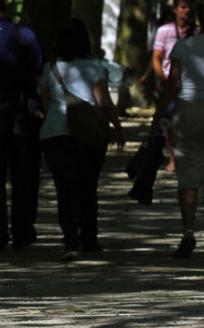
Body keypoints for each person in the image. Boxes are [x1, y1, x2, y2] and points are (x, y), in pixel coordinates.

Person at [39, 18, 124, 262]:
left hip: (55, 133)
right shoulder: (95, 67)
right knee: (88, 187)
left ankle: (70, 242)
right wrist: (117, 127)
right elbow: (104, 102)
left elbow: (46, 105)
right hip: (90, 135)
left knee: (65, 189)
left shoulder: (50, 68)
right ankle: (89, 239)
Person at [155, 6, 204, 259]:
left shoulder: (183, 47)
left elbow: (172, 83)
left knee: (187, 176)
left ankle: (188, 231)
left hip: (187, 110)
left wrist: (158, 115)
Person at [0, 0, 43, 251]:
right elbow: (37, 73)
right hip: (19, 112)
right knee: (24, 175)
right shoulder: (24, 35)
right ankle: (22, 230)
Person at [151, 0, 194, 173]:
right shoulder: (164, 31)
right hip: (170, 84)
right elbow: (156, 58)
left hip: (190, 85)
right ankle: (172, 157)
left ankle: (187, 156)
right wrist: (164, 79)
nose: (187, 10)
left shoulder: (194, 32)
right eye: (183, 7)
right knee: (166, 121)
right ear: (175, 10)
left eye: (188, 7)